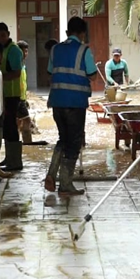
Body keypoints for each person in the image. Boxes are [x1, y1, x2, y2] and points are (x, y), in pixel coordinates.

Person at [44, 17, 97, 195]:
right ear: (83, 34)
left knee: (63, 138)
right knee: (74, 143)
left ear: (67, 32)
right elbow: (93, 75)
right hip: (75, 103)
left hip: (57, 101)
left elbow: (50, 73)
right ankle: (65, 184)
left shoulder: (55, 49)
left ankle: (52, 174)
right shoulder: (84, 50)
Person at [0, 23, 25, 172]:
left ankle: (15, 161)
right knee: (7, 127)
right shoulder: (1, 49)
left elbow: (16, 73)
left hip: (12, 94)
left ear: (8, 34)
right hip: (3, 94)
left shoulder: (13, 50)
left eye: (3, 35)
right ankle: (9, 158)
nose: (0, 39)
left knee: (11, 127)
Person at [16, 40, 33, 144]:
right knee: (26, 121)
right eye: (23, 51)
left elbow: (23, 83)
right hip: (17, 97)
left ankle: (17, 144)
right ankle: (27, 144)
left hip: (21, 98)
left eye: (26, 51)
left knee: (18, 122)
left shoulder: (22, 65)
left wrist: (25, 99)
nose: (25, 54)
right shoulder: (16, 64)